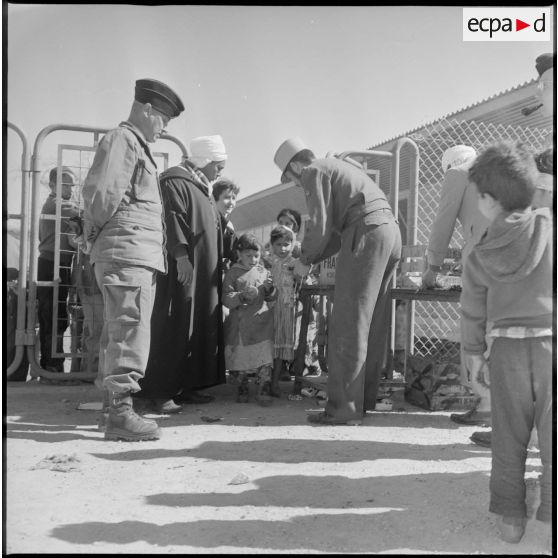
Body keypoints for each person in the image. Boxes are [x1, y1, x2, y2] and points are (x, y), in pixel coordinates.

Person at [82, 78, 185, 441]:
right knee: (128, 331)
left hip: (128, 254)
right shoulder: (124, 140)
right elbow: (100, 198)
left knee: (121, 331)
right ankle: (121, 414)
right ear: (145, 110)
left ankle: (115, 410)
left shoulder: (133, 144)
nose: (165, 127)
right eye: (163, 119)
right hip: (126, 254)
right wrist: (97, 236)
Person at [461, 140, 552, 543]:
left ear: (487, 199)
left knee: (508, 436)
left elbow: (473, 309)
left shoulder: (479, 253)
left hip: (506, 350)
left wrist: (473, 355)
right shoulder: (550, 229)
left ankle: (511, 520)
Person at [274, 137, 401, 425]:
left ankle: (344, 410)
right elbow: (331, 235)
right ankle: (361, 403)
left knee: (348, 322)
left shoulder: (313, 171)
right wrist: (309, 259)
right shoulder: (337, 168)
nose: (296, 184)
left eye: (290, 178)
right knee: (371, 323)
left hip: (366, 232)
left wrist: (304, 260)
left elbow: (319, 227)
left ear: (295, 165)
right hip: (389, 232)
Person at [137, 135, 229, 413]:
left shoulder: (200, 186)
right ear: (204, 161)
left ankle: (187, 385)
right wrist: (181, 257)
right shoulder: (174, 182)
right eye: (218, 166)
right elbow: (173, 219)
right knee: (173, 325)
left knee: (195, 326)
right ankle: (159, 391)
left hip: (203, 274)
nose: (219, 172)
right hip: (185, 271)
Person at [420, 145, 493, 431]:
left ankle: (487, 404)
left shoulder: (458, 173)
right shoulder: (496, 170)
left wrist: (432, 268)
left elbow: (444, 220)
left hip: (484, 259)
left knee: (478, 331)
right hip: (517, 254)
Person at [222, 233, 276, 405]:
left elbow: (272, 298)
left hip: (261, 324)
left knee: (264, 357)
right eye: (248, 255)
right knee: (241, 358)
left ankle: (263, 388)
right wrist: (242, 296)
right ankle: (242, 386)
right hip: (240, 325)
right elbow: (226, 298)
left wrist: (270, 290)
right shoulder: (233, 273)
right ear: (239, 254)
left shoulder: (264, 272)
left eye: (256, 255)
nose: (253, 259)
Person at [37, 166, 80, 379]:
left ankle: (50, 366)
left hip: (58, 263)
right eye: (66, 184)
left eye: (72, 184)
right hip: (51, 263)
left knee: (53, 315)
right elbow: (84, 214)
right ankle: (52, 368)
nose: (70, 188)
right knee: (54, 315)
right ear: (53, 185)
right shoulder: (57, 205)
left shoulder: (58, 205)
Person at [268, 225, 300, 396]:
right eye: (279, 244)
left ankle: (274, 383)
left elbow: (303, 280)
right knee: (268, 346)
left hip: (286, 309)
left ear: (292, 244)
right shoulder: (267, 263)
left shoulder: (295, 264)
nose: (283, 248)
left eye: (286, 244)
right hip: (268, 310)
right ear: (272, 245)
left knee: (280, 349)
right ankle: (265, 382)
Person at [212, 177, 239, 268]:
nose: (231, 203)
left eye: (234, 198)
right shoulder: (209, 223)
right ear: (214, 199)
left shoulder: (229, 226)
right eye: (227, 198)